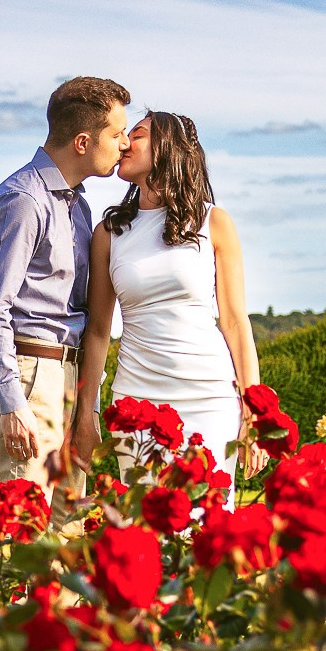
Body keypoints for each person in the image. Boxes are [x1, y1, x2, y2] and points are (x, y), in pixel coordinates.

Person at [73, 111, 260, 482]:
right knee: (145, 527)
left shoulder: (214, 222)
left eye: (137, 135)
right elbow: (97, 331)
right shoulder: (109, 233)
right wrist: (86, 414)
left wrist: (255, 414)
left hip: (210, 398)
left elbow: (236, 322)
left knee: (207, 525)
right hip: (136, 401)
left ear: (166, 149)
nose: (124, 143)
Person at [0, 76, 132, 503]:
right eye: (116, 134)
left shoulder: (78, 206)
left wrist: (84, 406)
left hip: (66, 377)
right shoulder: (22, 201)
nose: (125, 144)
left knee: (66, 531)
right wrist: (11, 403)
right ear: (83, 141)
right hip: (27, 376)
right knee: (20, 534)